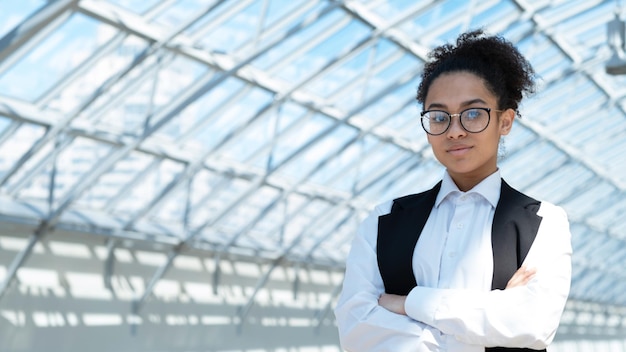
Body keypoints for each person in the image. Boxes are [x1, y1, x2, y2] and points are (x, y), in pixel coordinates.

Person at [334, 29, 572, 351]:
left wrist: (409, 304)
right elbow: (356, 330)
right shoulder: (383, 221)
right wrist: (492, 313)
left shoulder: (544, 223)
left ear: (505, 121)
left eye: (474, 113)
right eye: (439, 116)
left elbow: (532, 325)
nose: (455, 131)